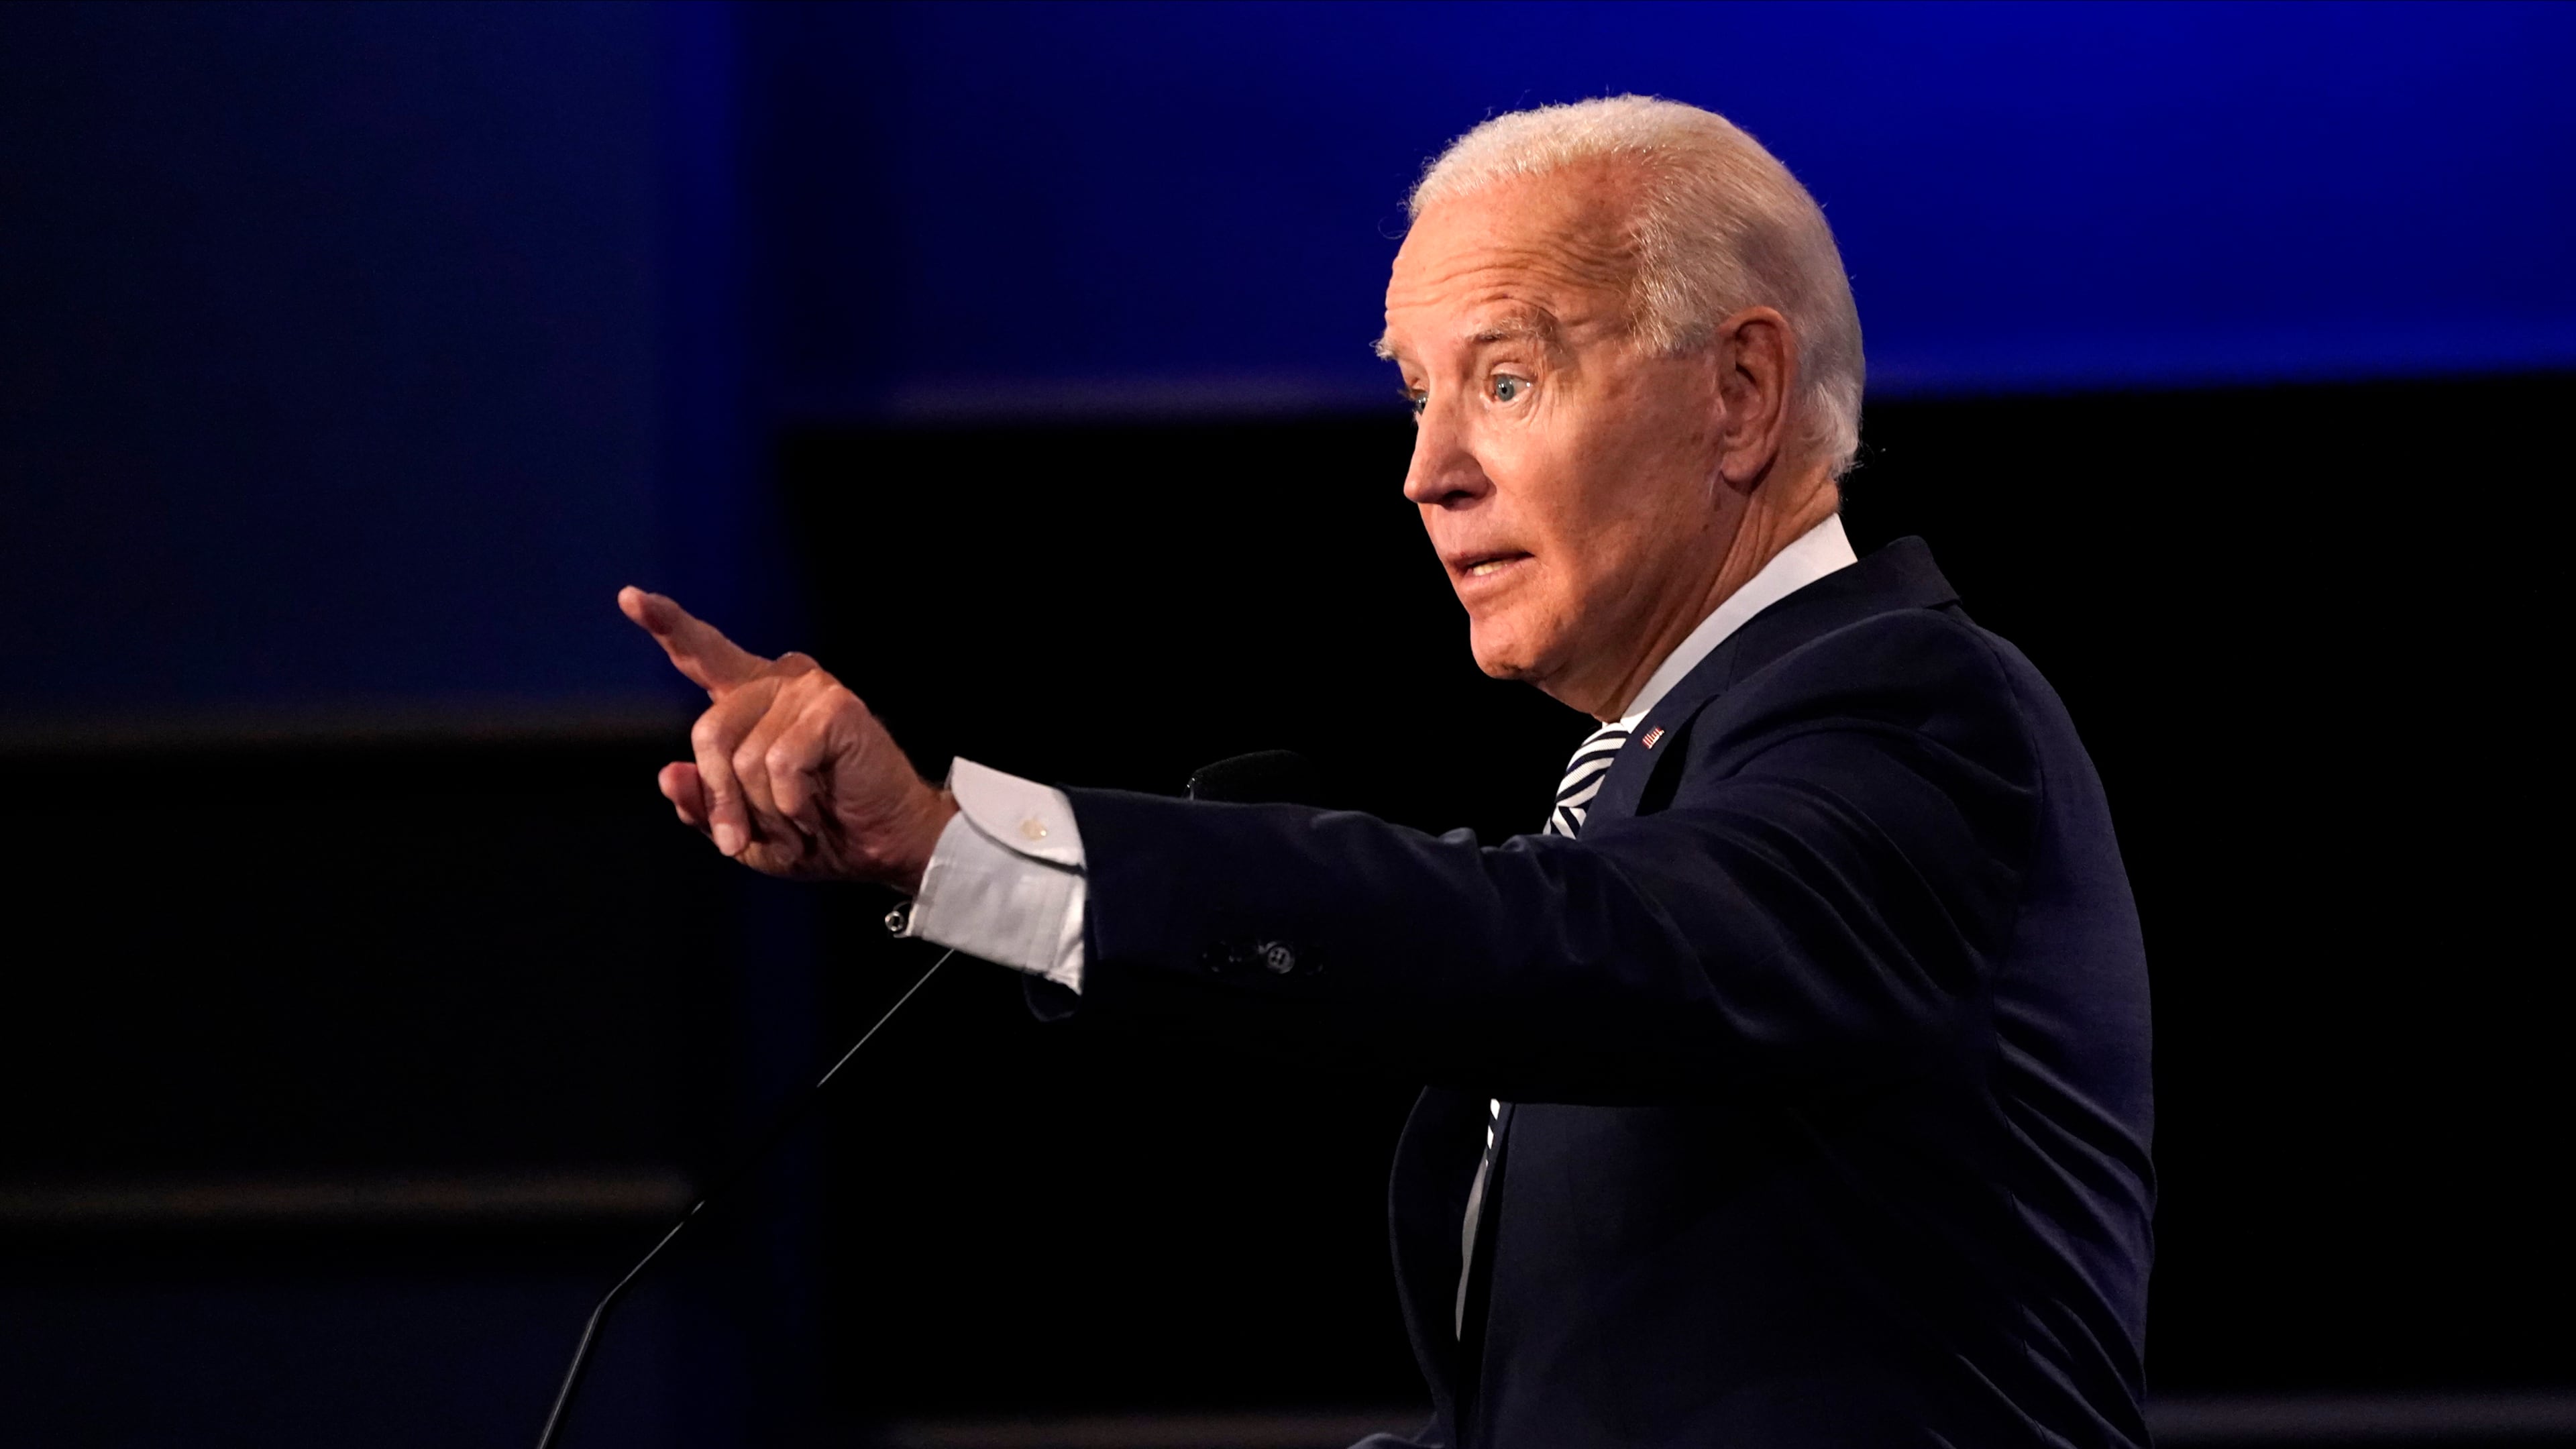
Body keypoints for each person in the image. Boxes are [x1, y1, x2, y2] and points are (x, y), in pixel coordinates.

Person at [618, 96, 2153, 1448]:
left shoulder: (1914, 708)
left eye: (1504, 379)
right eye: (1415, 392)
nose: (1426, 472)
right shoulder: (1664, 791)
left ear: (1740, 393)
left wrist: (972, 851)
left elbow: (1569, 944)